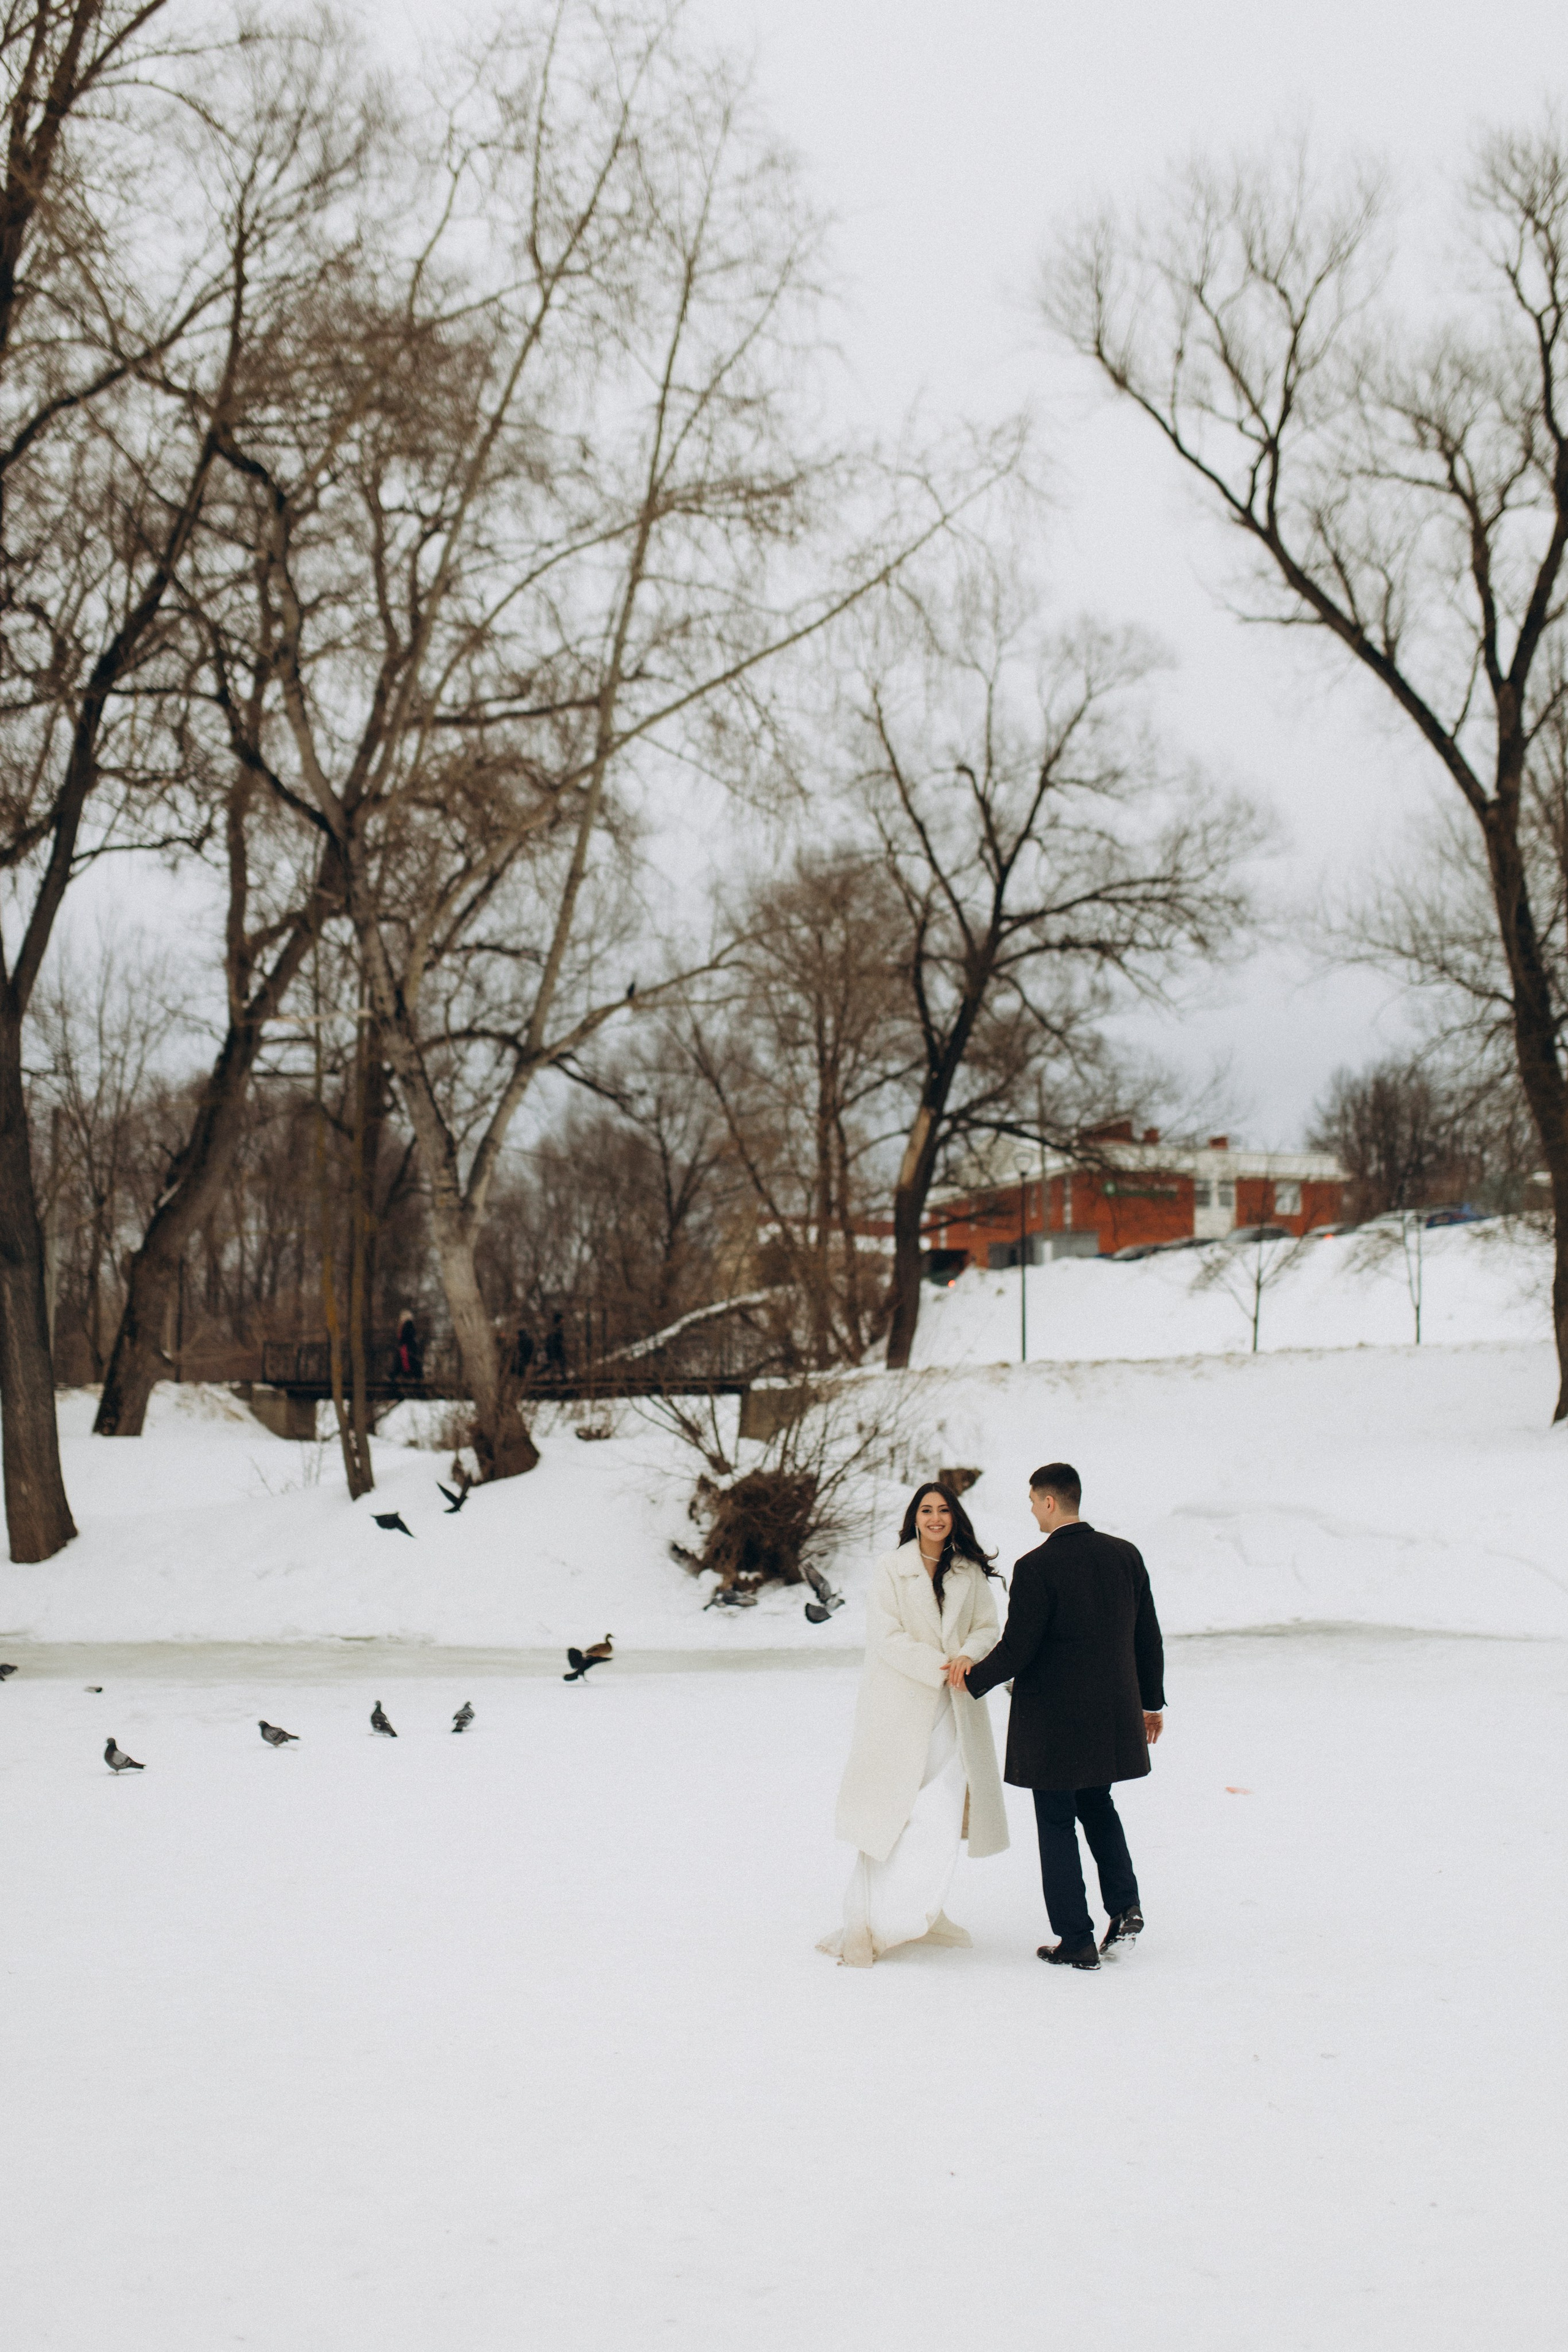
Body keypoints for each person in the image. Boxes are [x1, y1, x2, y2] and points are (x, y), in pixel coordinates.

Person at [954, 1462, 1164, 1972]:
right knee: (1098, 1806)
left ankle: (1076, 1938)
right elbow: (1147, 1635)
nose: (1031, 1510)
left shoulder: (1036, 1567)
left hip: (1054, 1720)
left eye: (1032, 1501)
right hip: (1112, 1714)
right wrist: (1151, 1703)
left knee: (1056, 1820)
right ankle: (1126, 1907)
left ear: (1050, 1502)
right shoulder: (1124, 1555)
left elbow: (1020, 1648)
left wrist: (971, 1677)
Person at [819, 1482, 1009, 1968]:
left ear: (954, 1517)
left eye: (944, 1510)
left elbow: (989, 1626)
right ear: (915, 1517)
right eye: (926, 1510)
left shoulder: (968, 1571)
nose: (935, 1518)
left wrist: (967, 1657)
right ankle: (870, 1921)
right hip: (902, 1707)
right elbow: (886, 1637)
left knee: (939, 1814)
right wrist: (940, 1665)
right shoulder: (892, 1569)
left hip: (956, 1707)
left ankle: (922, 1911)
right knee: (892, 1815)